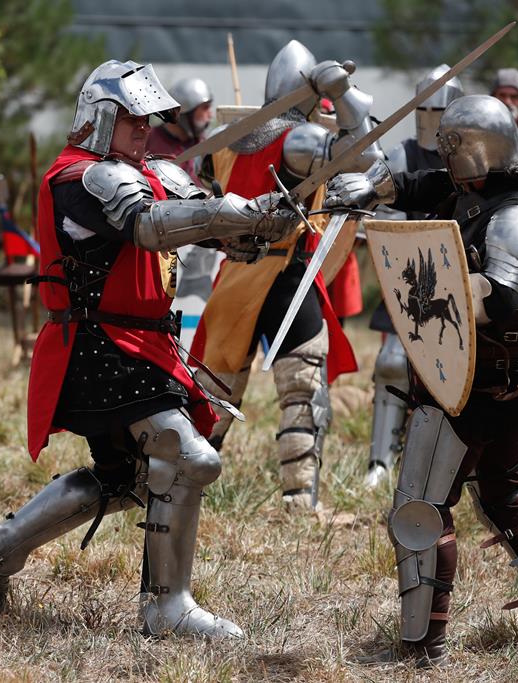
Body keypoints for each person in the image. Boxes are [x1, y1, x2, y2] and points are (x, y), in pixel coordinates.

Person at [0, 59, 299, 639]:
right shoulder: (84, 177)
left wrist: (264, 221)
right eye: (133, 119)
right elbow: (149, 224)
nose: (145, 130)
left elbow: (218, 229)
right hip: (97, 345)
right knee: (190, 459)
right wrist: (228, 211)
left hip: (146, 345)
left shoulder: (155, 171)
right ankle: (167, 609)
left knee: (128, 479)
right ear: (102, 118)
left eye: (150, 121)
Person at [326, 95, 518, 667]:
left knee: (418, 506)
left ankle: (422, 645)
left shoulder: (517, 219)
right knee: (505, 490)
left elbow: (495, 298)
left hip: (480, 380)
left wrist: (426, 285)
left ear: (474, 153)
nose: (446, 165)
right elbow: (428, 186)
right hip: (512, 375)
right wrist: (373, 190)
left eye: (452, 152)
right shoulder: (495, 183)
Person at [191, 40, 381, 512]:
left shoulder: (229, 139)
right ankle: (299, 502)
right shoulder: (300, 139)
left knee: (213, 392)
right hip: (285, 277)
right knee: (302, 393)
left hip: (235, 275)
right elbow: (364, 156)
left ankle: (179, 486)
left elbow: (208, 185)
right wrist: (344, 96)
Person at [365, 64, 464, 489]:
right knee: (391, 363)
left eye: (439, 111)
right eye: (423, 110)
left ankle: (451, 463)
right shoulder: (403, 154)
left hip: (458, 277)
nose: (431, 120)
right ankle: (380, 461)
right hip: (409, 276)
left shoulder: (469, 156)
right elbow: (387, 218)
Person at [147, 77, 213, 179]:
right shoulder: (147, 140)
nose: (210, 114)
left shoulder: (203, 144)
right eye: (205, 108)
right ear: (186, 112)